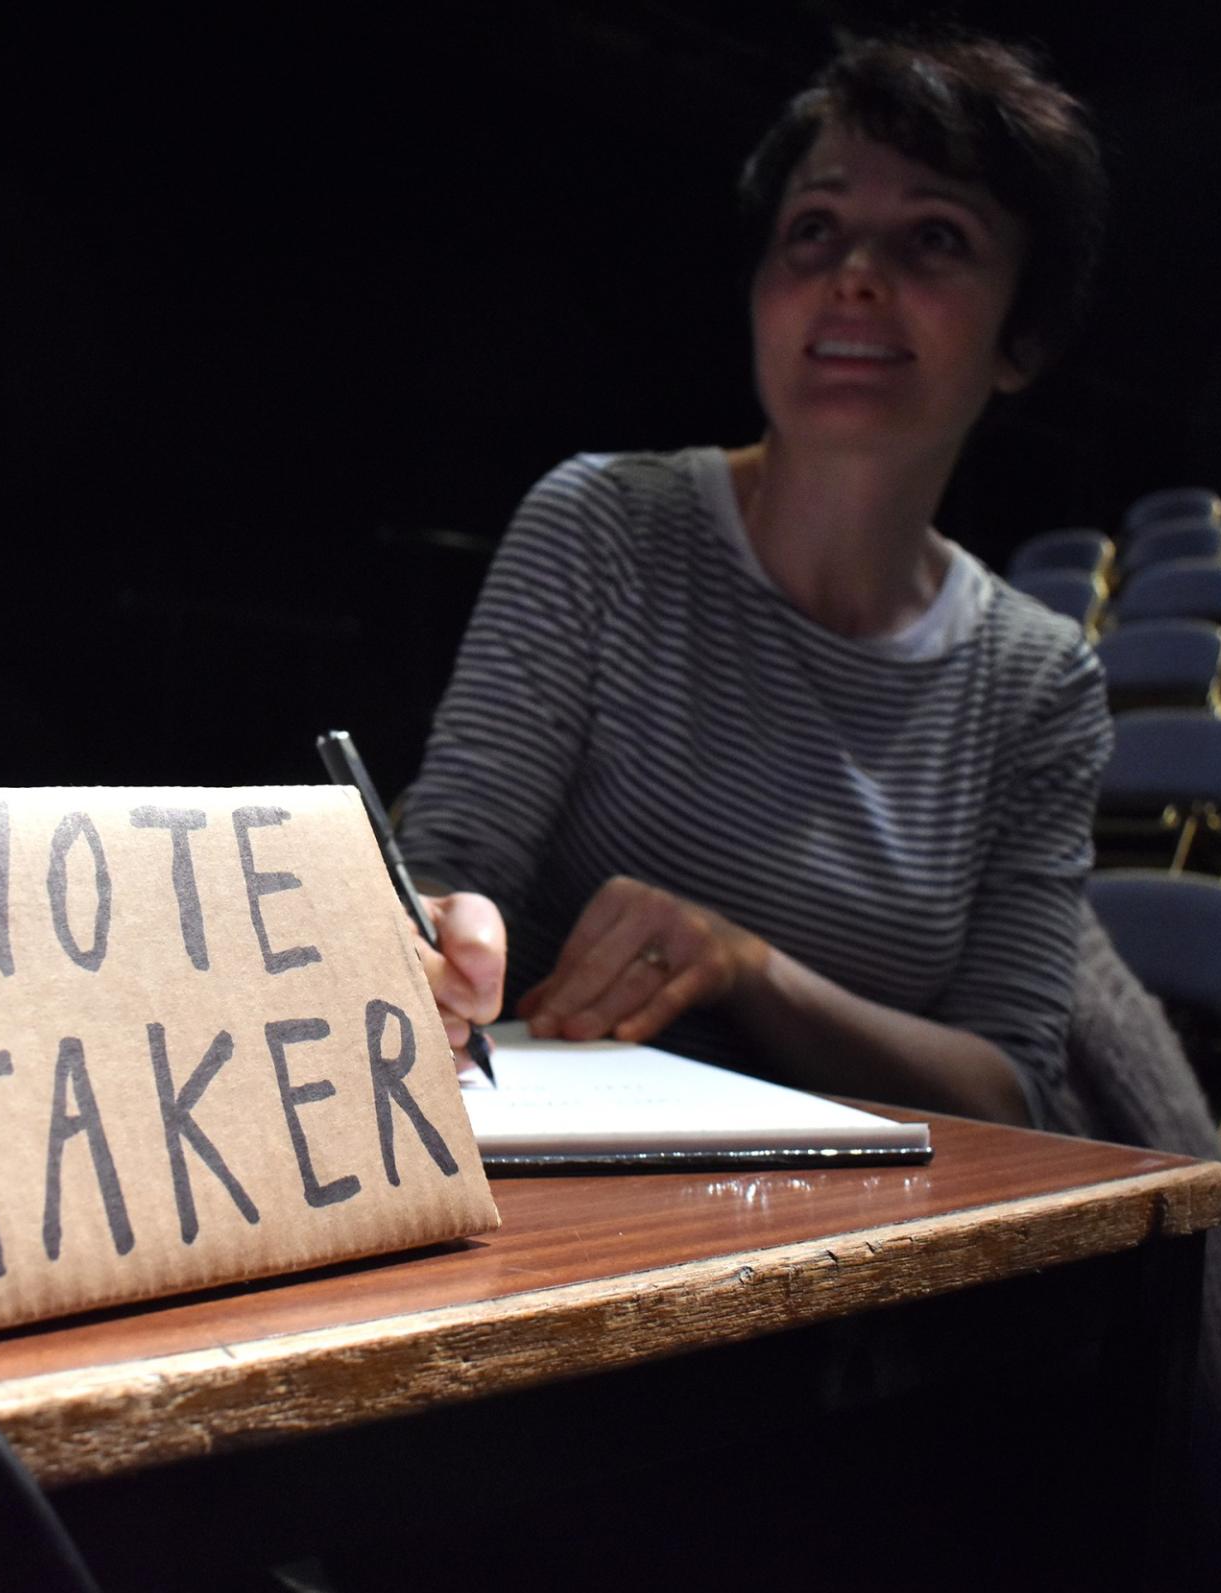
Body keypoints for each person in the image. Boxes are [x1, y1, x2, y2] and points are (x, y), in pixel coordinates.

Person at [402, 33, 1113, 1130]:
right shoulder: (605, 526)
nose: (855, 274)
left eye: (935, 237)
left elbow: (1014, 1089)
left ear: (1023, 335)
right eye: (814, 228)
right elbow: (447, 877)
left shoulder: (1039, 681)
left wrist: (747, 967)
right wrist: (433, 935)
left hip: (871, 1249)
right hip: (560, 1195)